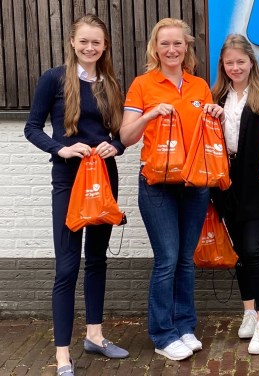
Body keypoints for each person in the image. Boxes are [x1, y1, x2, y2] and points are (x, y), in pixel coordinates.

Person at [23, 14, 129, 376]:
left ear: (104, 46)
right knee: (67, 267)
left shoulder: (111, 83)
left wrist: (116, 147)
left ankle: (95, 336)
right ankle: (63, 355)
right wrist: (60, 149)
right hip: (68, 181)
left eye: (96, 42)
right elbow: (31, 128)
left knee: (97, 261)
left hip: (103, 179)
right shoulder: (53, 79)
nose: (90, 47)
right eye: (84, 41)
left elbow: (119, 135)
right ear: (72, 42)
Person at [119, 18, 223, 361]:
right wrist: (149, 116)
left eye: (178, 43)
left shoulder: (199, 85)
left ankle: (184, 326)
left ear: (186, 47)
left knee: (186, 261)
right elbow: (125, 136)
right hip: (157, 186)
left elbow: (207, 134)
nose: (172, 49)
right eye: (165, 44)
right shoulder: (142, 85)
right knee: (167, 260)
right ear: (155, 47)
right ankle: (163, 335)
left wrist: (215, 113)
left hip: (195, 184)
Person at [210, 34, 259, 355]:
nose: (235, 67)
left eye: (241, 61)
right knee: (239, 251)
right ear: (223, 66)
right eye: (229, 62)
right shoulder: (216, 95)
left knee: (253, 249)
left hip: (256, 181)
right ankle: (249, 312)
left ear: (251, 62)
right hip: (226, 181)